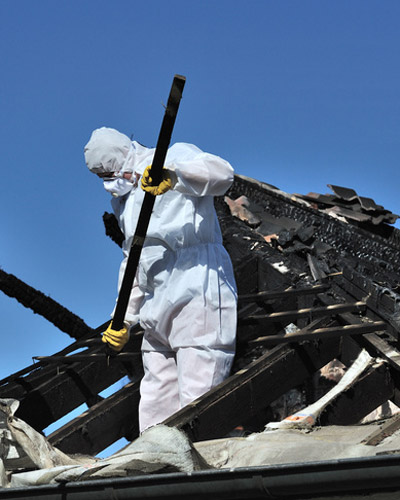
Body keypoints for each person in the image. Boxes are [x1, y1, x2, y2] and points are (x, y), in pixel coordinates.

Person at [84, 127, 237, 432]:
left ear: (126, 154)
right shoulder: (124, 202)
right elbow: (134, 259)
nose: (111, 181)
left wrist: (175, 175)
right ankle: (153, 467)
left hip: (196, 284)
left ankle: (196, 471)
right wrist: (122, 319)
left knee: (198, 398)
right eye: (103, 176)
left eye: (113, 171)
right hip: (155, 300)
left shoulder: (174, 155)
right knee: (155, 399)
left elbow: (223, 175)